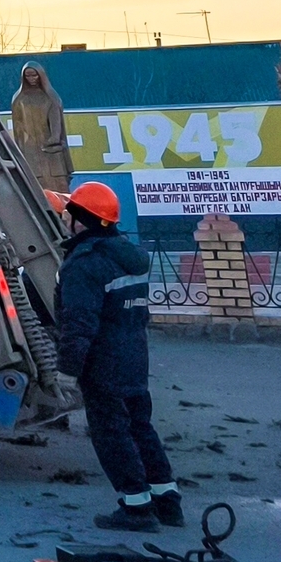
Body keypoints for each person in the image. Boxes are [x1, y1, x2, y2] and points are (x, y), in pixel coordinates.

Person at [55, 180, 182, 530]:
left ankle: (136, 508)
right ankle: (167, 501)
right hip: (134, 355)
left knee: (111, 433)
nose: (66, 222)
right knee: (140, 426)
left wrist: (67, 370)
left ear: (81, 220)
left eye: (68, 216)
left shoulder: (85, 264)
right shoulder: (127, 256)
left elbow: (79, 323)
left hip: (102, 363)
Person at [12, 61, 73, 192]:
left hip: (51, 149)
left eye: (34, 75)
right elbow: (18, 129)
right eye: (28, 76)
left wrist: (54, 139)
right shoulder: (19, 99)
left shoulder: (51, 97)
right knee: (36, 186)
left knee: (59, 185)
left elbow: (56, 123)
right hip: (30, 150)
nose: (31, 79)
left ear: (41, 75)